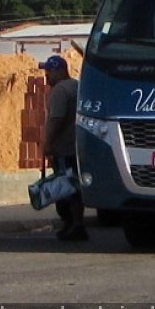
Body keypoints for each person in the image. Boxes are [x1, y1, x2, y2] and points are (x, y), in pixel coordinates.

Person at [39, 55, 87, 241]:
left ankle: (73, 224)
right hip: (77, 146)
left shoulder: (59, 90)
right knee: (74, 184)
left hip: (64, 148)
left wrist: (48, 144)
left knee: (66, 188)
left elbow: (56, 120)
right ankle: (76, 223)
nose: (47, 76)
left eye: (49, 72)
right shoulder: (77, 86)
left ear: (59, 70)